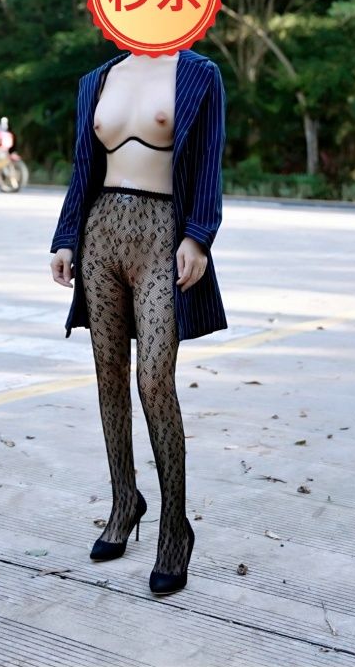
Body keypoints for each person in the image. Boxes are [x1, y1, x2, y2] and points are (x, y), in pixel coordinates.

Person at [49, 48, 228, 596]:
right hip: (101, 233)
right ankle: (124, 501)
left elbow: (209, 161)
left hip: (162, 233)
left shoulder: (199, 74)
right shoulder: (98, 77)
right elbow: (84, 166)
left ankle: (175, 527)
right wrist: (65, 237)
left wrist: (199, 235)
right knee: (108, 375)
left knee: (153, 380)